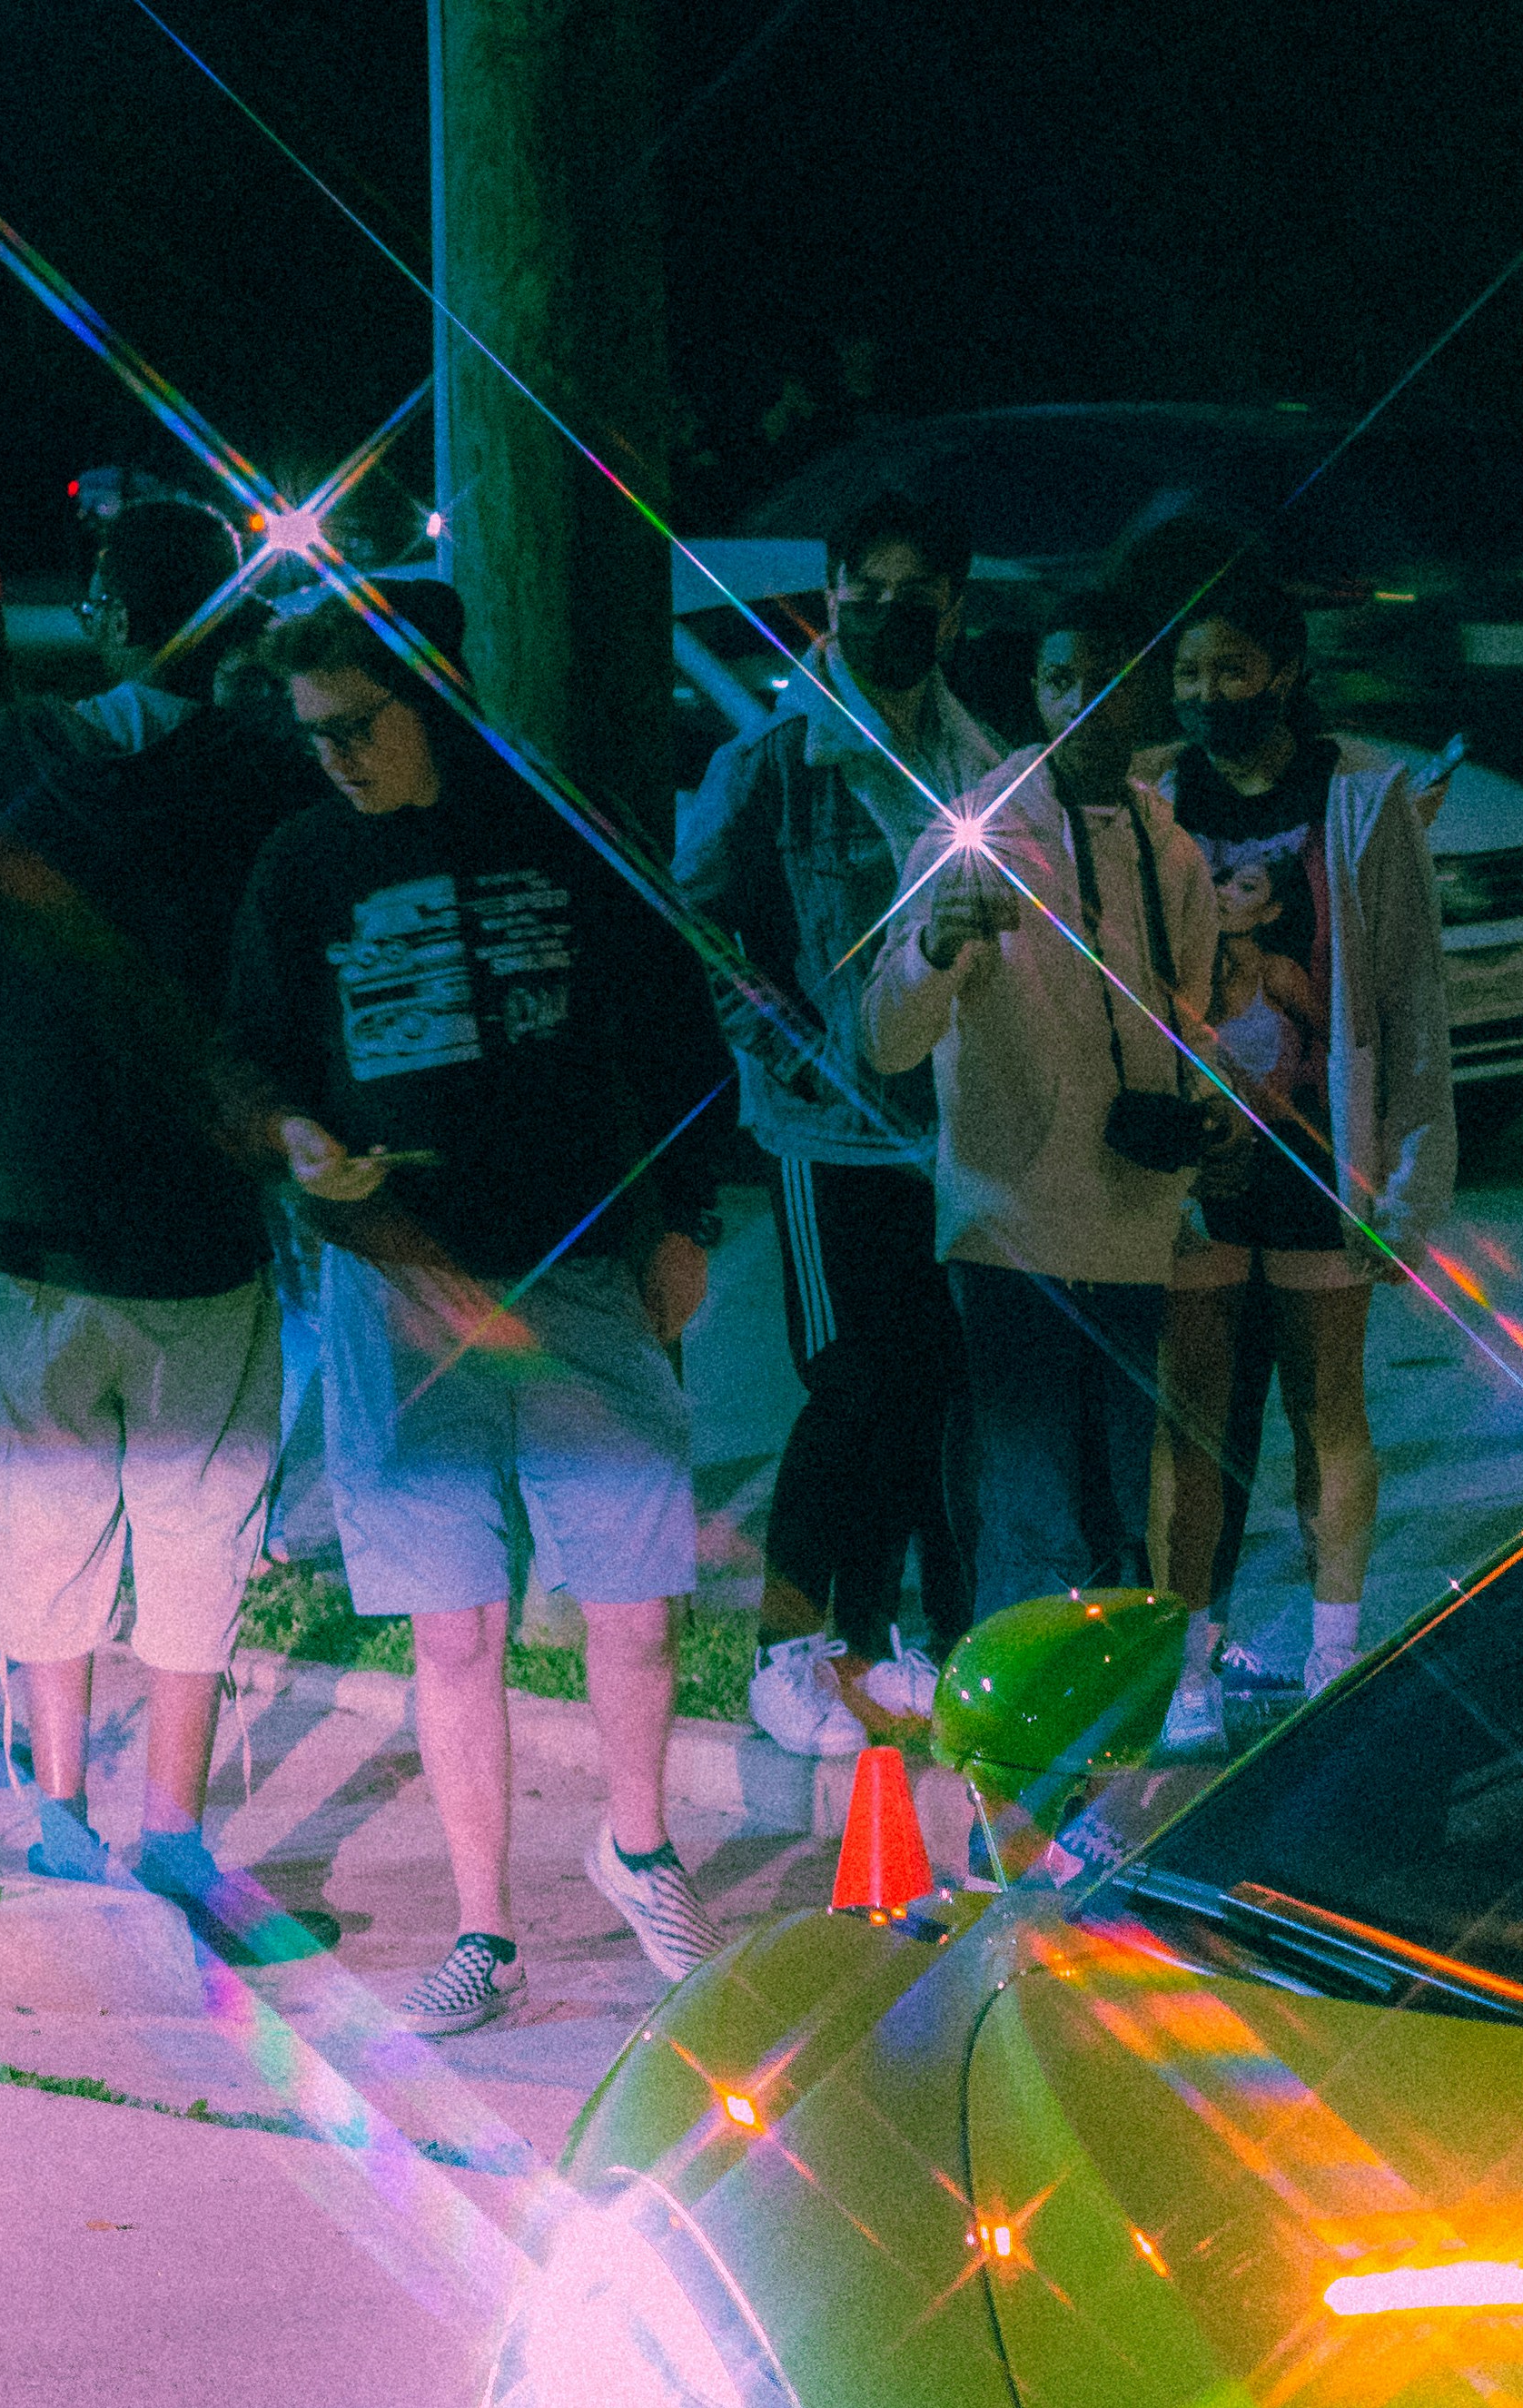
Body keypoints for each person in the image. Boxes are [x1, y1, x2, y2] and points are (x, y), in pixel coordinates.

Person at [223, 590, 743, 2031]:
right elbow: (250, 1061)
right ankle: (486, 1930)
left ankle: (639, 1848)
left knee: (634, 1603)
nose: (331, 757)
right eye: (310, 731)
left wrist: (689, 1218)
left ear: (430, 700)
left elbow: (678, 1032)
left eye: (355, 725)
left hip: (575, 1268)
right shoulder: (302, 864)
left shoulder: (557, 836)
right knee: (455, 1628)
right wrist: (299, 1143)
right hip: (397, 1286)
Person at [0, 486, 311, 1917]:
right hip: (201, 1221)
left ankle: (60, 1815)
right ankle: (180, 1836)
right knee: (200, 1526)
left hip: (28, 1205)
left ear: (104, 614)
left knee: (39, 1521)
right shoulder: (269, 778)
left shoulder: (6, 754)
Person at [671, 490, 1004, 1761]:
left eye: (914, 598)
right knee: (850, 1385)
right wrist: (790, 1053)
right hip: (831, 1132)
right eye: (863, 595)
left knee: (930, 1394)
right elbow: (705, 928)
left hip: (957, 1130)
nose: (886, 618)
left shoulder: (978, 759)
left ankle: (876, 1644)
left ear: (953, 609)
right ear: (832, 595)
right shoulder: (775, 760)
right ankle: (787, 1647)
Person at [857, 587, 1214, 1632]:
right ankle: (1018, 1779)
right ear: (1036, 692)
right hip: (1010, 1226)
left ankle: (1088, 1758)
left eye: (1109, 678)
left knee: (1115, 1520)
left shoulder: (1171, 848)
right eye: (1062, 680)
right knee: (1034, 1514)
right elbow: (885, 1037)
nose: (1086, 703)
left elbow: (1187, 1032)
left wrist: (1201, 1138)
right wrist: (933, 946)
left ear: (1144, 688)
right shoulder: (977, 829)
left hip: (1133, 1218)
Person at [1140, 561, 1451, 1752]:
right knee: (1195, 1419)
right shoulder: (1154, 801)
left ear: (1285, 671)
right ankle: (1192, 1666)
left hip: (1327, 1158)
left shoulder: (1362, 803)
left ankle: (1333, 1653)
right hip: (1193, 1165)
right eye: (1187, 672)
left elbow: (1413, 1007)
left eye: (1231, 667)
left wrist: (1408, 1186)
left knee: (1332, 1409)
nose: (1209, 691)